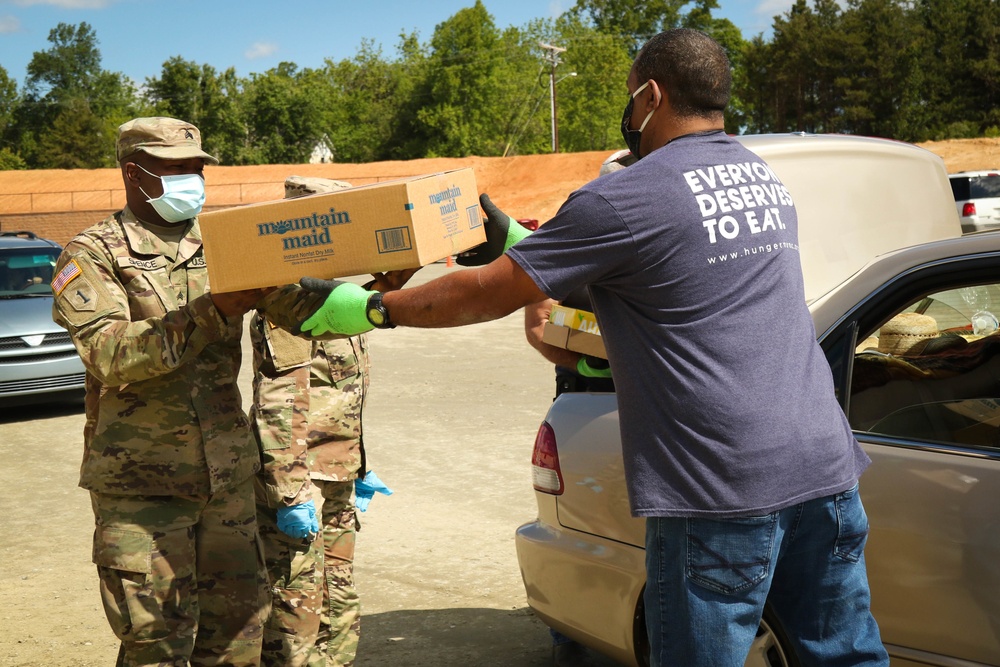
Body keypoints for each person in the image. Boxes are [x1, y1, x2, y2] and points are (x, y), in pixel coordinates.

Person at [295, 29, 889, 667]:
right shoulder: (760, 177)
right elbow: (665, 272)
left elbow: (487, 295)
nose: (630, 116)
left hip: (719, 489)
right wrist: (525, 239)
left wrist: (370, 308)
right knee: (847, 657)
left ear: (652, 95)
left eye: (632, 101)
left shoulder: (628, 194)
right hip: (823, 472)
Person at [51, 116, 325, 667]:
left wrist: (376, 292)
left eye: (197, 169)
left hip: (226, 481)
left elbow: (300, 311)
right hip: (142, 491)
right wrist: (213, 309)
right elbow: (111, 355)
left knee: (238, 640)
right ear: (135, 173)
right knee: (159, 648)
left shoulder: (225, 241)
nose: (192, 181)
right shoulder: (92, 254)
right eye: (176, 169)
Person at [250, 176, 401, 667]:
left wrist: (360, 467)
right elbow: (278, 404)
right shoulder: (288, 304)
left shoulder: (338, 300)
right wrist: (290, 494)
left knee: (338, 595)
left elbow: (343, 394)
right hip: (302, 485)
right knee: (297, 606)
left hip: (337, 477)